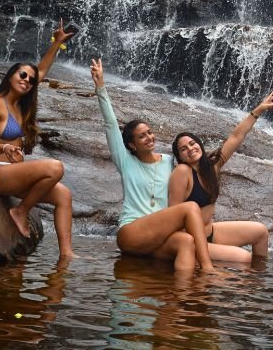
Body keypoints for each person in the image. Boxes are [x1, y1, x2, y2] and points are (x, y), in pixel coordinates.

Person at [91, 58, 214, 272]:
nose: (149, 137)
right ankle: (208, 268)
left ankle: (182, 300)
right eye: (141, 136)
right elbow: (110, 124)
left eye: (149, 132)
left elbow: (194, 167)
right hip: (132, 231)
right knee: (190, 208)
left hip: (161, 234)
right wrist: (100, 86)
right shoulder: (126, 161)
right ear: (131, 144)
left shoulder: (169, 161)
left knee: (186, 242)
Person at [0, 19, 77, 260]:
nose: (27, 80)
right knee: (55, 167)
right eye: (23, 75)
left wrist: (56, 43)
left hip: (13, 172)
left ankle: (66, 254)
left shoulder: (20, 106)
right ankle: (21, 211)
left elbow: (40, 71)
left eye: (31, 80)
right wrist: (5, 146)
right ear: (11, 74)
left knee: (63, 194)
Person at [167, 92, 273, 262]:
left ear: (199, 145)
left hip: (211, 232)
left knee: (260, 232)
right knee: (244, 258)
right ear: (180, 157)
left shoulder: (213, 166)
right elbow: (172, 217)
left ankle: (257, 282)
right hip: (191, 240)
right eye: (183, 149)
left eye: (192, 143)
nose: (190, 149)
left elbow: (236, 137)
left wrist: (258, 110)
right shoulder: (182, 172)